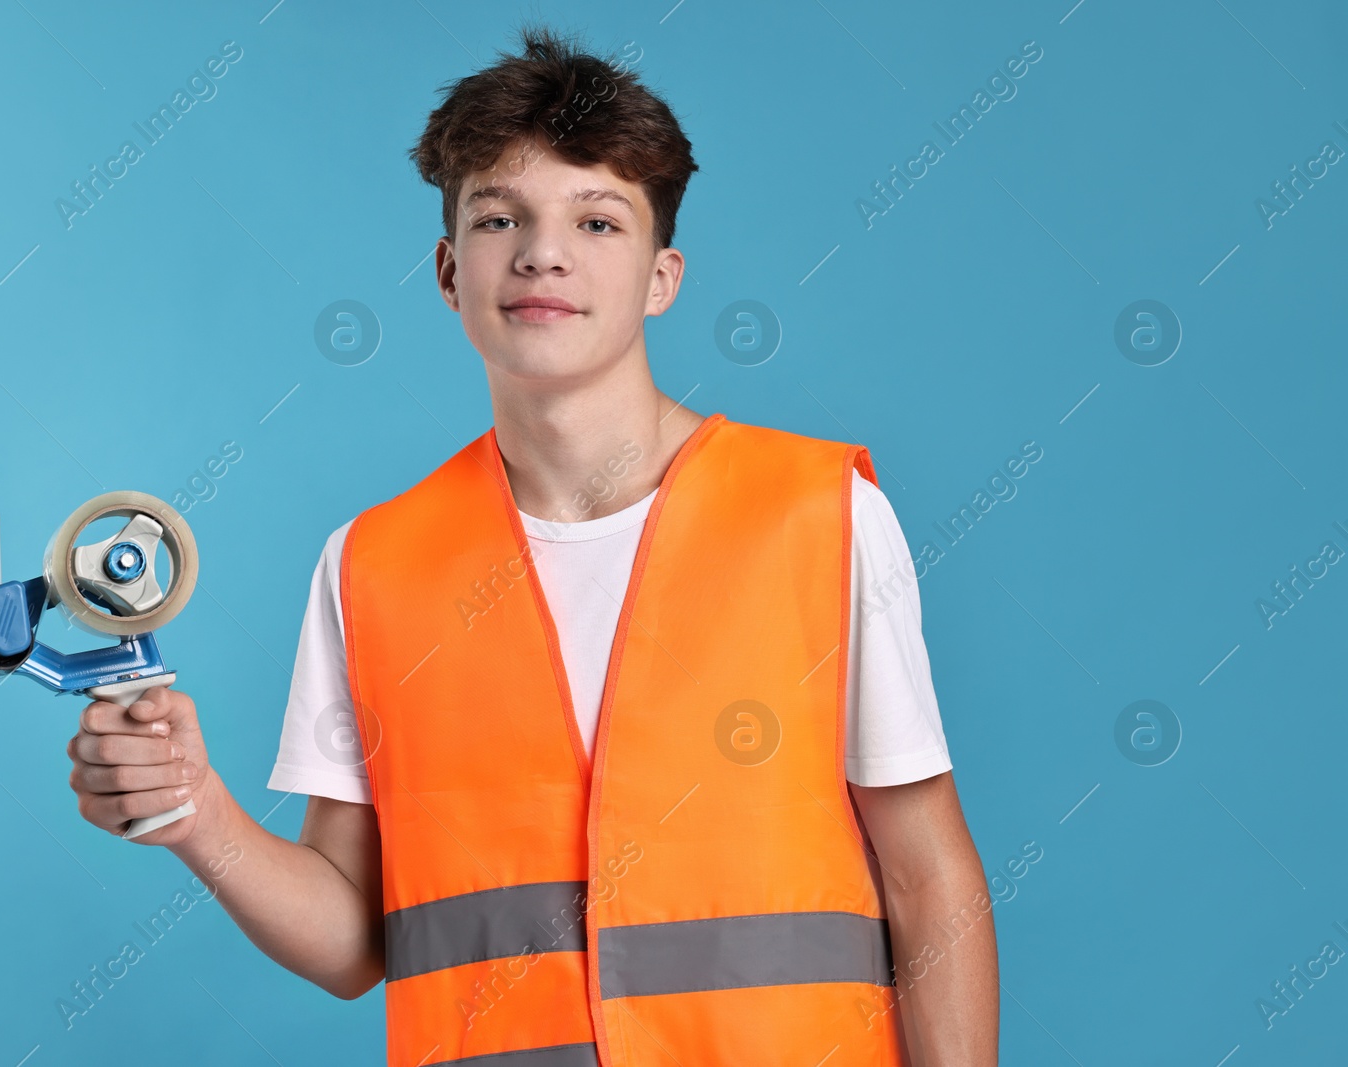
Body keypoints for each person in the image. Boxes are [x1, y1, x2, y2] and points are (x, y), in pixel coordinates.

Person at [67, 23, 997, 1066]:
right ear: (448, 270)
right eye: (499, 216)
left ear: (662, 275)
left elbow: (929, 876)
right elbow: (350, 941)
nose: (543, 250)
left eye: (598, 221)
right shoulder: (374, 565)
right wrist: (197, 811)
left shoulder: (817, 514)